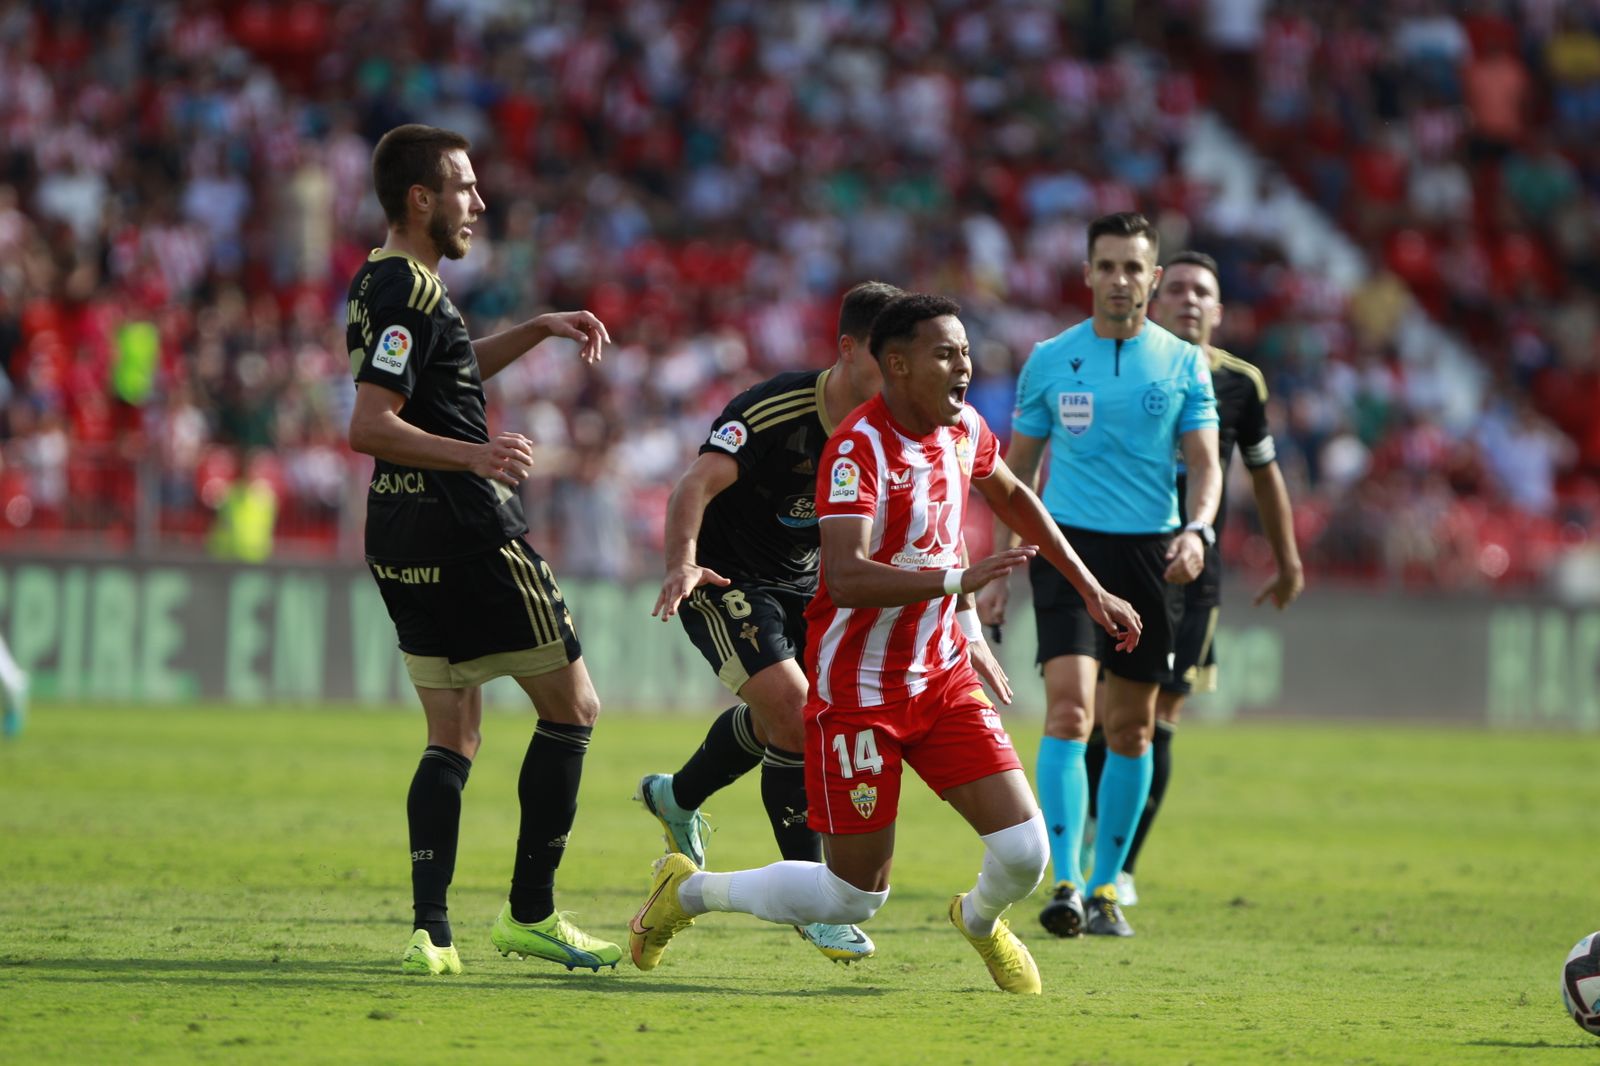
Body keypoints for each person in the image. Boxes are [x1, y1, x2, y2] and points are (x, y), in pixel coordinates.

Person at [627, 293, 1143, 995]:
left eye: (965, 352)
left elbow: (1014, 497)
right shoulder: (855, 449)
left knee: (1027, 853)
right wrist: (957, 581)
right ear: (895, 364)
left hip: (941, 677)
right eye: (946, 354)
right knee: (852, 897)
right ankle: (686, 893)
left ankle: (980, 920)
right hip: (860, 689)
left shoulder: (963, 429)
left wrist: (1088, 589)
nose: (964, 366)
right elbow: (845, 576)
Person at [345, 124, 617, 976]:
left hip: (397, 534)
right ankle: (531, 912)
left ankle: (431, 934)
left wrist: (533, 329)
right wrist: (476, 455)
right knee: (573, 709)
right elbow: (370, 423)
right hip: (467, 529)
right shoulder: (412, 290)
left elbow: (443, 372)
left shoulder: (381, 281)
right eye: (465, 187)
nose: (480, 202)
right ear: (420, 197)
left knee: (453, 733)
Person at [978, 212, 1222, 940]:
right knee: (1068, 712)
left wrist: (1198, 531)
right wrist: (998, 571)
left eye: (1133, 267)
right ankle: (1066, 882)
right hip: (1067, 548)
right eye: (1107, 266)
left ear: (1153, 277)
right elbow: (1015, 475)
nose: (1120, 280)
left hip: (1150, 553)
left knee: (1132, 728)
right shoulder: (1051, 359)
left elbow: (1206, 466)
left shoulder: (1183, 363)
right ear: (1087, 273)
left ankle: (1109, 885)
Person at [641, 281, 900, 965]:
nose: (901, 373)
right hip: (723, 578)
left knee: (794, 718)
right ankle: (815, 904)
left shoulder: (888, 430)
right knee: (793, 712)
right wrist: (681, 563)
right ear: (848, 350)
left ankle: (677, 797)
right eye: (890, 356)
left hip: (809, 588)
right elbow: (695, 484)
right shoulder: (774, 409)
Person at [1082, 250, 1304, 907]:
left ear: (1219, 310)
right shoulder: (1117, 365)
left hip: (1192, 575)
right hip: (1117, 561)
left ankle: (1119, 867)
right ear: (1155, 297)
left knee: (1159, 716)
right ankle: (1091, 837)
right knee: (1100, 715)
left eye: (1201, 291)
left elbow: (1264, 472)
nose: (1188, 300)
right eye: (1176, 288)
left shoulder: (1241, 383)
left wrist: (1288, 561)